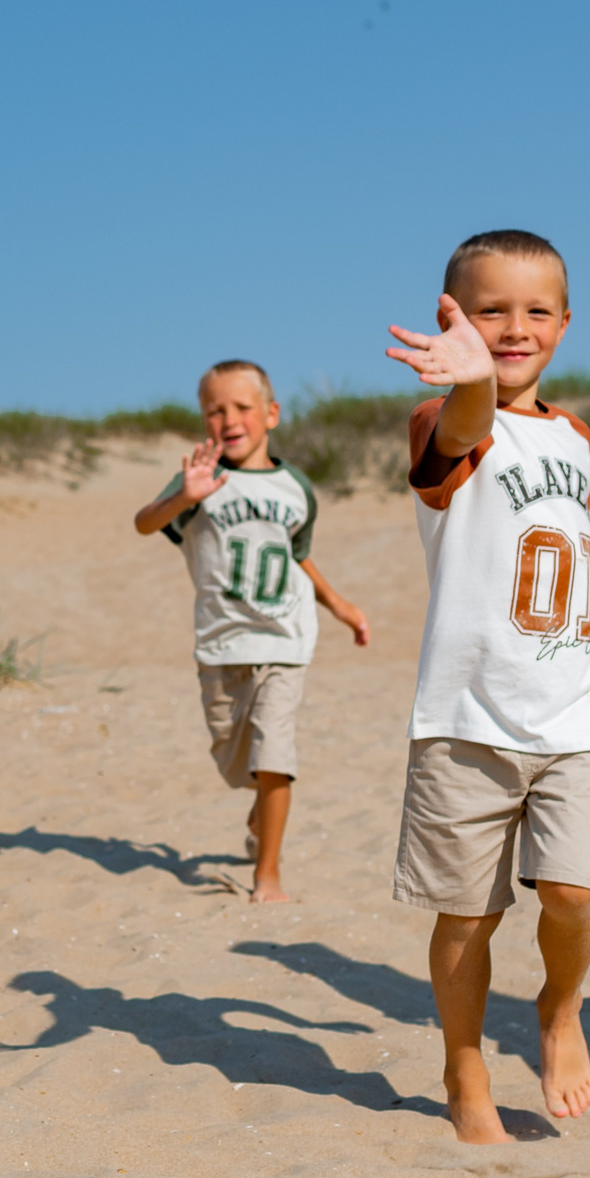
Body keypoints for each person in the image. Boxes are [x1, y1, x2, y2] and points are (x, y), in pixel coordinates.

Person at [383, 231, 590, 1144]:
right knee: (469, 913)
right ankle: (463, 1064)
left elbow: (562, 531)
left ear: (566, 324)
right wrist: (466, 382)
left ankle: (560, 1009)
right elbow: (462, 435)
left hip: (578, 696)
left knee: (573, 892)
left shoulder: (572, 433)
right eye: (490, 308)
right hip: (468, 711)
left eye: (536, 310)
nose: (515, 326)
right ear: (452, 316)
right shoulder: (442, 419)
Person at [135, 360, 370, 903]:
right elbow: (144, 522)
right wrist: (183, 497)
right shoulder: (197, 481)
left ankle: (269, 876)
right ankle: (260, 807)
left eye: (242, 407)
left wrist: (339, 604)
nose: (229, 419)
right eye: (215, 410)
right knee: (237, 761)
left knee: (275, 754)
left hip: (286, 638)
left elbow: (297, 557)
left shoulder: (296, 489)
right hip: (221, 645)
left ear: (271, 414)